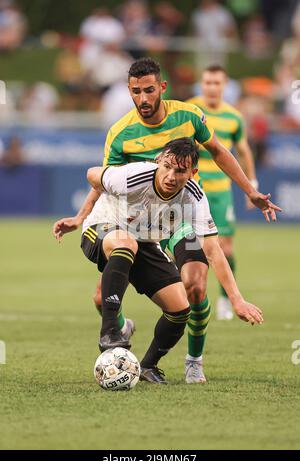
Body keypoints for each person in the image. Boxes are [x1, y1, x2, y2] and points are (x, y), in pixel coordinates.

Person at [53, 57, 280, 384]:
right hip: (130, 222)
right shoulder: (122, 137)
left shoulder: (188, 120)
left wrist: (250, 191)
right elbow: (100, 179)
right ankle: (115, 331)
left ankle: (192, 360)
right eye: (135, 92)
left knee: (193, 289)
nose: (143, 99)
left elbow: (218, 153)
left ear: (162, 88)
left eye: (148, 90)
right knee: (104, 294)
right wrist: (80, 217)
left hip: (177, 218)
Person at [79, 138, 263, 384]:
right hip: (101, 229)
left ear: (192, 173)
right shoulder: (133, 176)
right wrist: (82, 214)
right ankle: (111, 331)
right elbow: (93, 174)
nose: (170, 176)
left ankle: (147, 366)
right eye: (166, 167)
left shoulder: (194, 198)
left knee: (180, 309)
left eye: (180, 171)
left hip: (144, 241)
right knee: (125, 243)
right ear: (158, 162)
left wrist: (236, 300)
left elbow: (213, 250)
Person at [187, 64, 257, 321]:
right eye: (207, 82)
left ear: (225, 86)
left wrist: (253, 185)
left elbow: (244, 150)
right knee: (189, 247)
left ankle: (226, 300)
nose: (212, 87)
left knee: (224, 248)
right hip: (192, 190)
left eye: (217, 83)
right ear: (201, 84)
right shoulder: (190, 110)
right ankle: (189, 297)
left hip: (221, 191)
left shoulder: (234, 117)